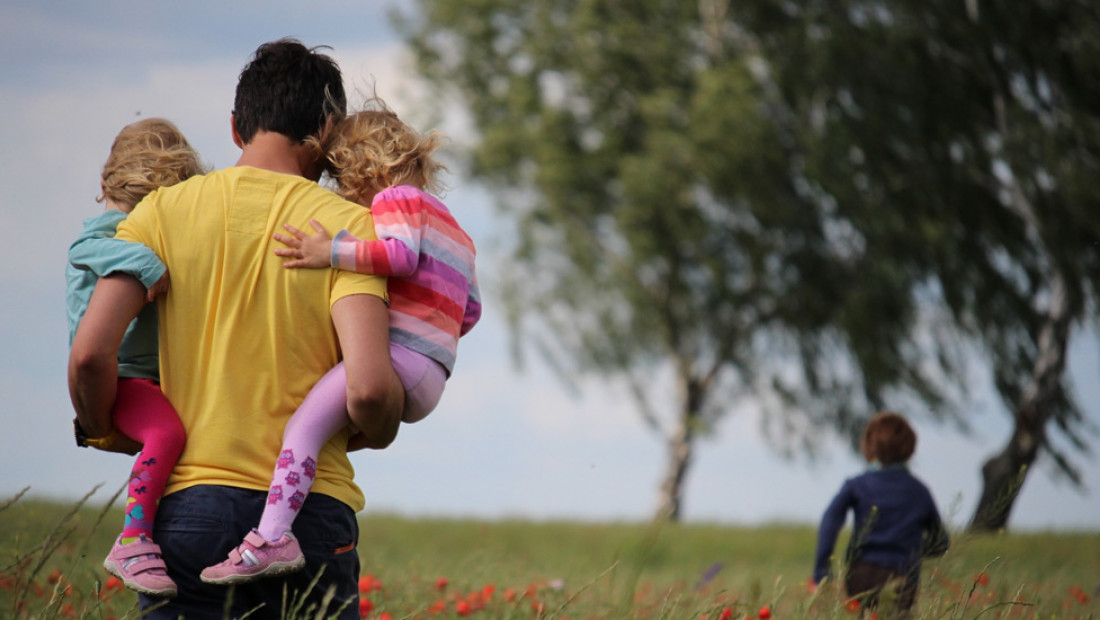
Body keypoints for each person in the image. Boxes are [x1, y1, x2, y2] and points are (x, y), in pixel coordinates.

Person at [68, 38, 405, 619]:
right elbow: (370, 388)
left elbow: (90, 356)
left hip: (187, 510)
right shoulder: (351, 232)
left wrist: (104, 427)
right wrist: (378, 427)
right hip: (310, 516)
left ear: (234, 128)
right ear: (328, 130)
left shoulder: (158, 213)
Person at [201, 103, 482, 584]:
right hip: (433, 374)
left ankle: (271, 538)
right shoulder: (457, 230)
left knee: (302, 430)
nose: (341, 191)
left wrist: (328, 251)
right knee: (327, 431)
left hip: (398, 360)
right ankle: (287, 513)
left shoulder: (396, 200)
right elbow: (470, 311)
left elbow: (398, 256)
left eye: (341, 177)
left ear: (364, 167)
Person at [67, 118, 203, 597]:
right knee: (167, 433)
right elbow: (86, 247)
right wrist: (147, 263)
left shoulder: (133, 227)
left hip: (147, 377)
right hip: (123, 377)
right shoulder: (109, 233)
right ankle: (133, 539)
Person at [812, 411, 949, 618]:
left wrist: (822, 571)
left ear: (869, 446)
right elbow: (940, 542)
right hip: (903, 576)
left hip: (861, 573)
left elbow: (830, 521)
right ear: (909, 449)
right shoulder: (920, 491)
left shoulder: (857, 485)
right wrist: (913, 551)